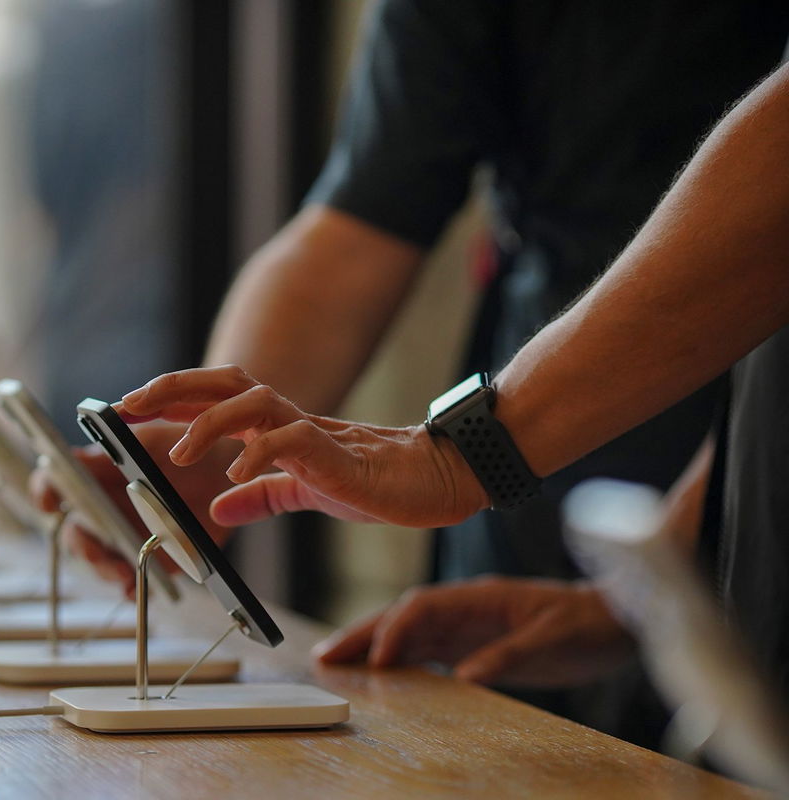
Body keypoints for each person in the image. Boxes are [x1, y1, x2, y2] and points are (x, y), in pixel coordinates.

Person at [42, 0, 789, 743]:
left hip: (649, 471)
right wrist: (205, 456)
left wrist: (459, 456)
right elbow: (365, 213)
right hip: (600, 516)